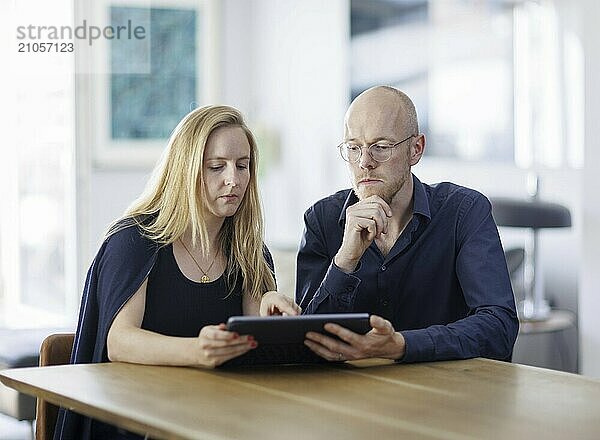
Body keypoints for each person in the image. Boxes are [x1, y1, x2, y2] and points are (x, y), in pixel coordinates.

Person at [55, 105, 300, 440]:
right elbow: (120, 341)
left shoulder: (249, 249)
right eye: (217, 167)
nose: (234, 179)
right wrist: (197, 351)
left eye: (243, 166)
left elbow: (252, 340)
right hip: (133, 419)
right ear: (184, 170)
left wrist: (269, 312)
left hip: (215, 416)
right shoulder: (135, 240)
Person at [297, 86, 518, 364]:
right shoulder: (320, 220)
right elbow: (305, 343)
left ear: (416, 149)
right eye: (354, 148)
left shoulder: (465, 212)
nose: (365, 162)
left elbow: (499, 326)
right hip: (351, 396)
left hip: (448, 395)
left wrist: (403, 345)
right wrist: (345, 259)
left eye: (381, 147)